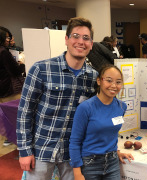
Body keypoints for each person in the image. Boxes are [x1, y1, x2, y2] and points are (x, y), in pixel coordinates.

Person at [16, 17, 98, 180]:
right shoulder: (41, 69)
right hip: (42, 150)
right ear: (66, 39)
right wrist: (24, 151)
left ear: (91, 44)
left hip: (72, 154)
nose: (80, 42)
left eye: (86, 38)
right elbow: (25, 112)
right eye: (75, 36)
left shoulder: (93, 77)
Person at [69, 64, 134, 180]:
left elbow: (111, 134)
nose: (114, 86)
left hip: (112, 162)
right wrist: (77, 172)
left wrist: (117, 151)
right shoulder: (86, 108)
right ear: (99, 81)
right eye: (109, 81)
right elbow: (75, 141)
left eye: (118, 82)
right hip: (89, 163)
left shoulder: (122, 107)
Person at [0, 28, 25, 103]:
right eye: (7, 38)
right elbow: (15, 71)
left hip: (2, 90)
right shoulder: (3, 52)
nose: (9, 40)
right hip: (9, 89)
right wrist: (22, 65)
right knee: (14, 111)